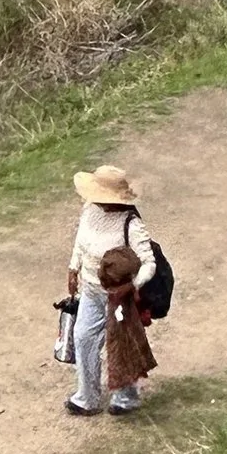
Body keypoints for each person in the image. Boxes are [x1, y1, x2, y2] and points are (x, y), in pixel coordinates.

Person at [58, 161, 158, 417]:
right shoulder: (89, 211)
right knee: (83, 338)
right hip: (91, 290)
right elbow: (81, 242)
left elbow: (148, 263)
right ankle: (88, 397)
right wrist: (73, 268)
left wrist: (132, 287)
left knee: (120, 344)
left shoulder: (132, 224)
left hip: (119, 298)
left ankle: (126, 397)